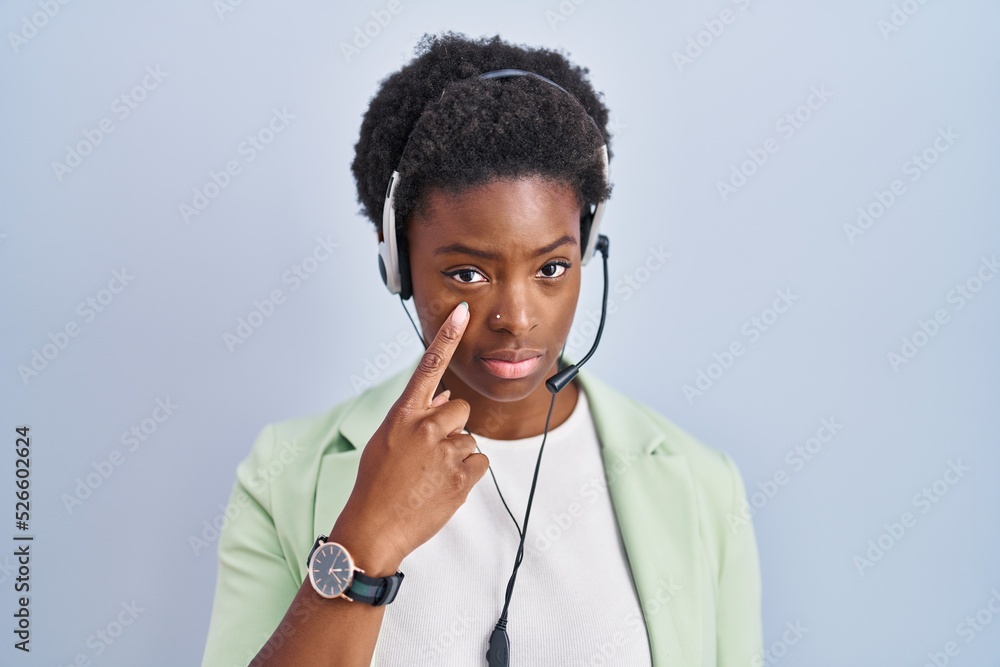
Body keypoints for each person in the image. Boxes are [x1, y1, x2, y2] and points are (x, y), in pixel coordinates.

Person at [200, 31, 763, 667]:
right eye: (468, 273)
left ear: (587, 249)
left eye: (551, 268)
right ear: (399, 266)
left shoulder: (702, 485)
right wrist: (366, 534)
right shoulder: (284, 474)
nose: (516, 319)